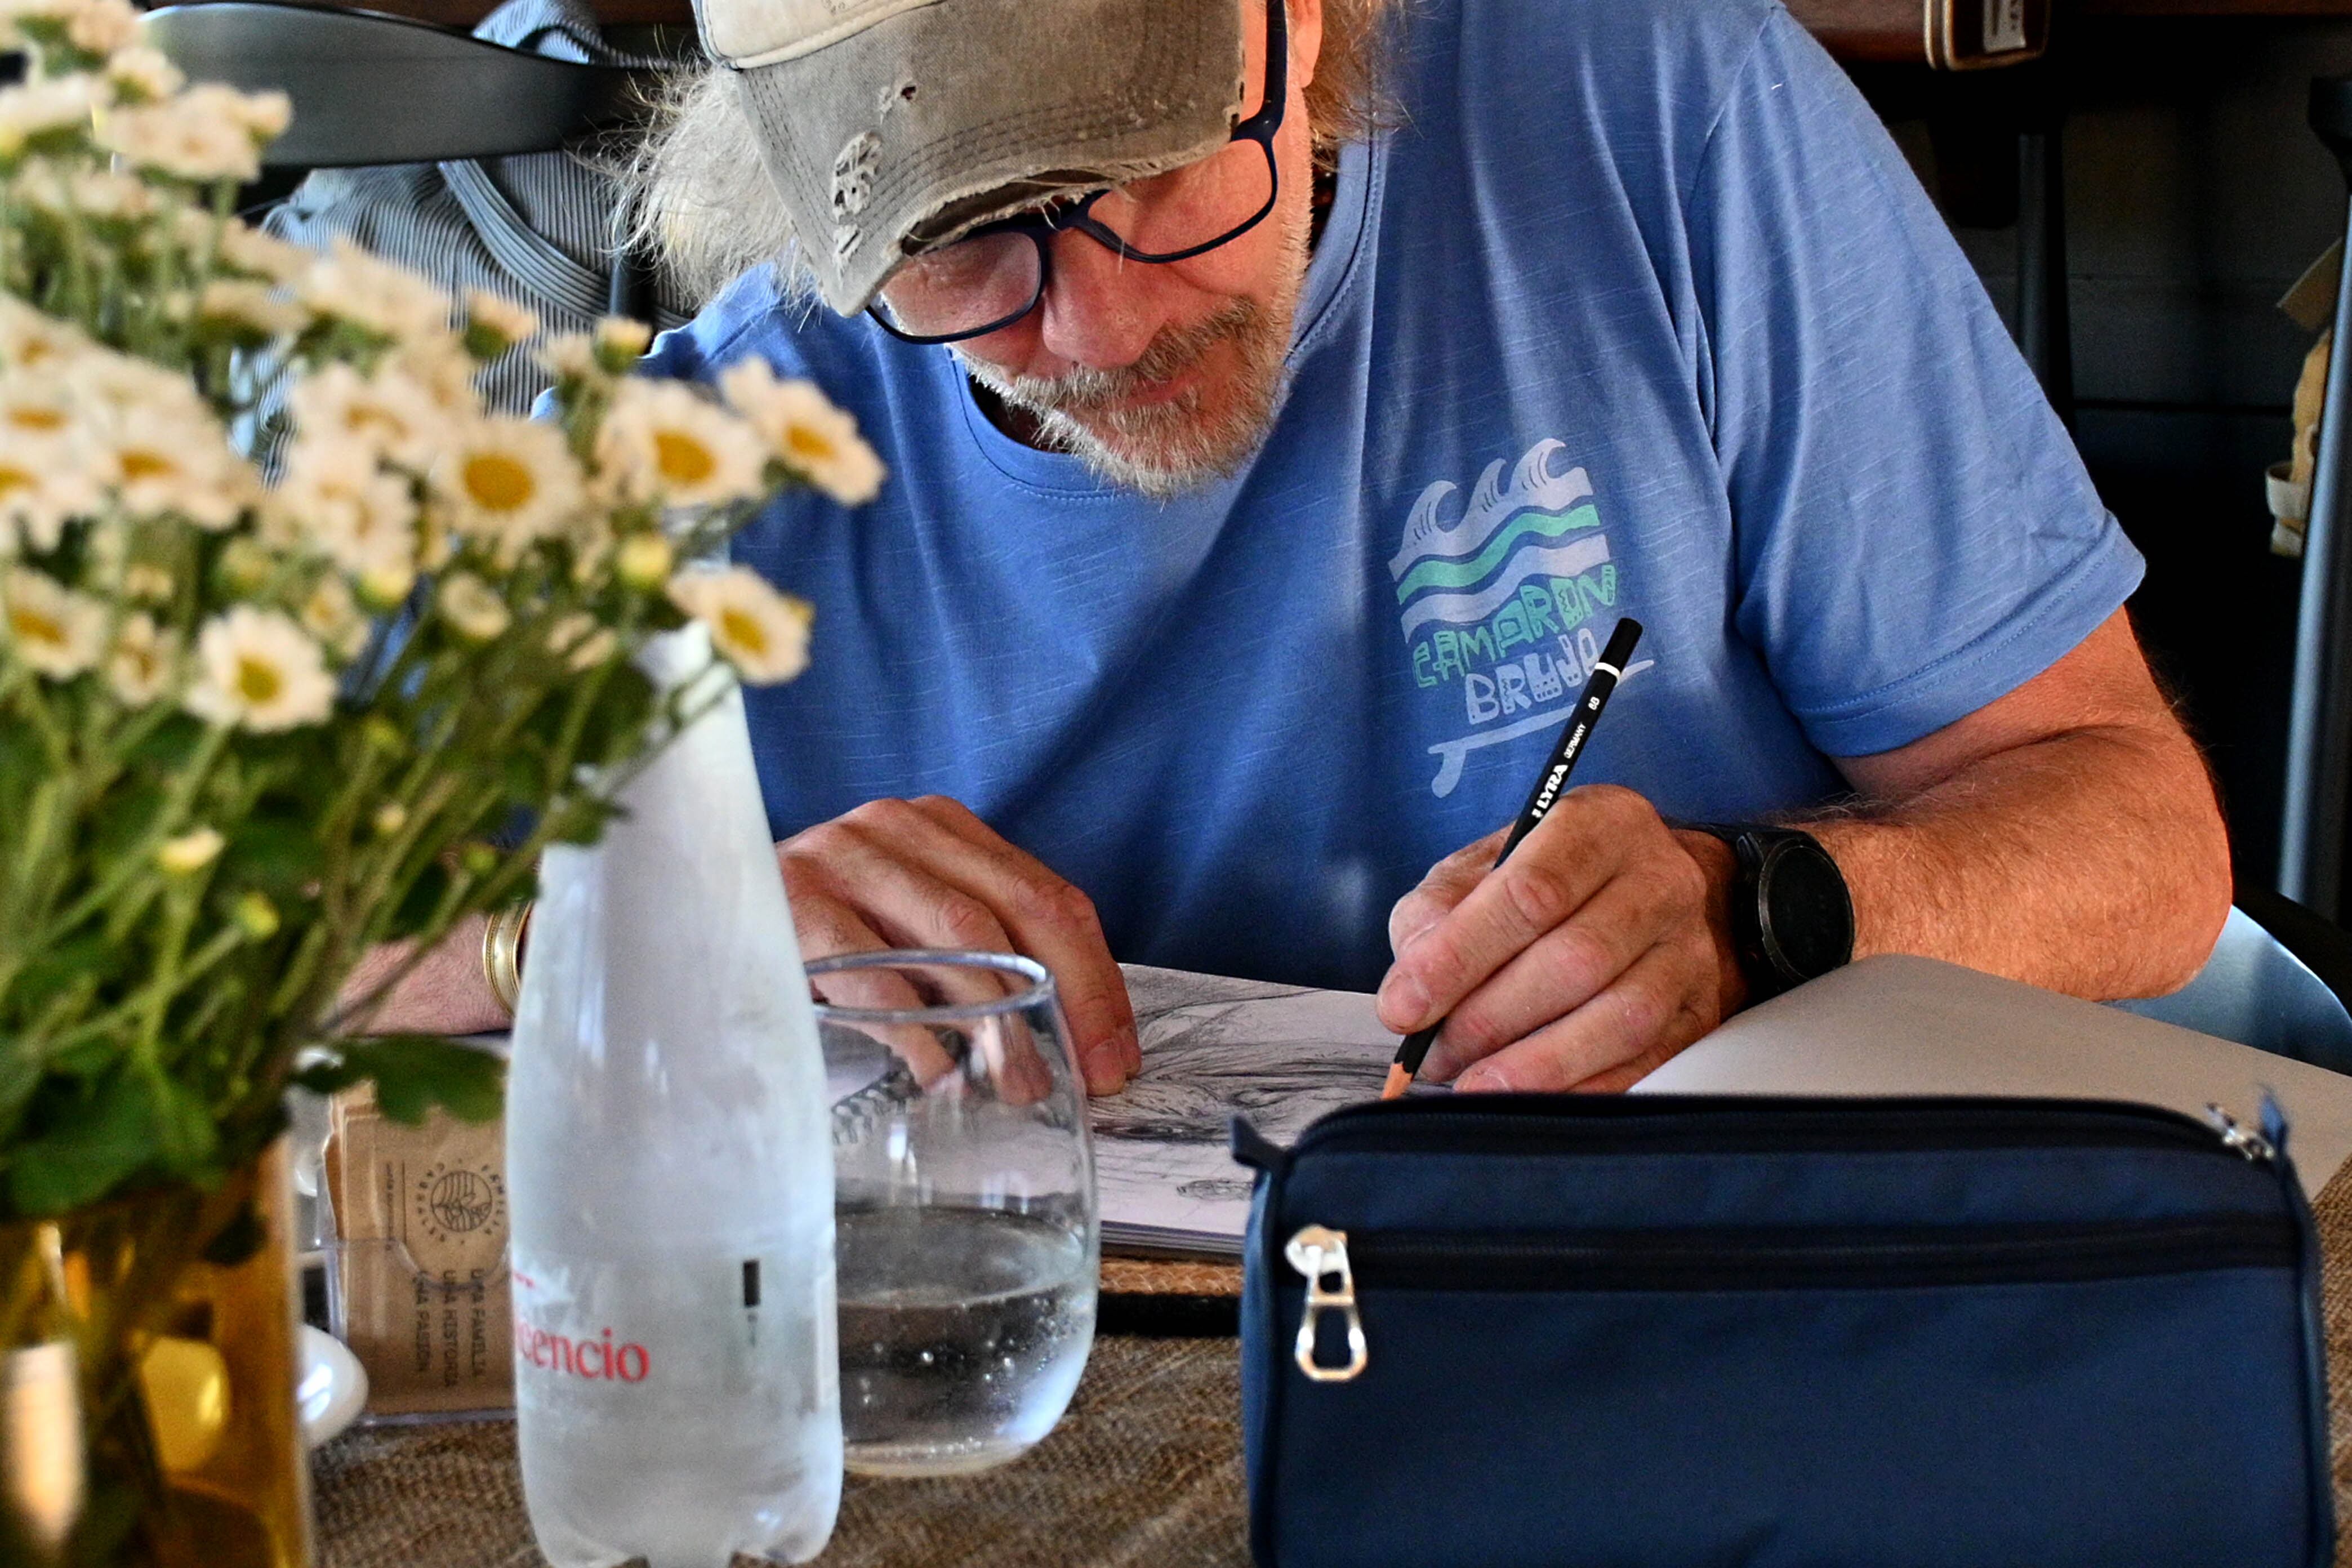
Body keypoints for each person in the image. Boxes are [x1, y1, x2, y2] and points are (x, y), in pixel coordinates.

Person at [367, 0, 2232, 1104]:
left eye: (1154, 174)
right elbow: (217, 989)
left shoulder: (1661, 102)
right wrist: (584, 932)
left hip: (1700, 1295)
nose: (1097, 329)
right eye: (963, 245)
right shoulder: (723, 433)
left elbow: (2142, 841)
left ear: (1307, 20)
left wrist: (1766, 909)